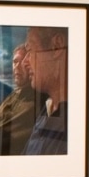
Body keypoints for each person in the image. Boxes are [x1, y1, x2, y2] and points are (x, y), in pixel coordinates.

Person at [22, 26, 68, 156]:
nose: (24, 62)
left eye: (30, 50)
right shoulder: (48, 108)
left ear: (57, 46)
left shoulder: (73, 123)